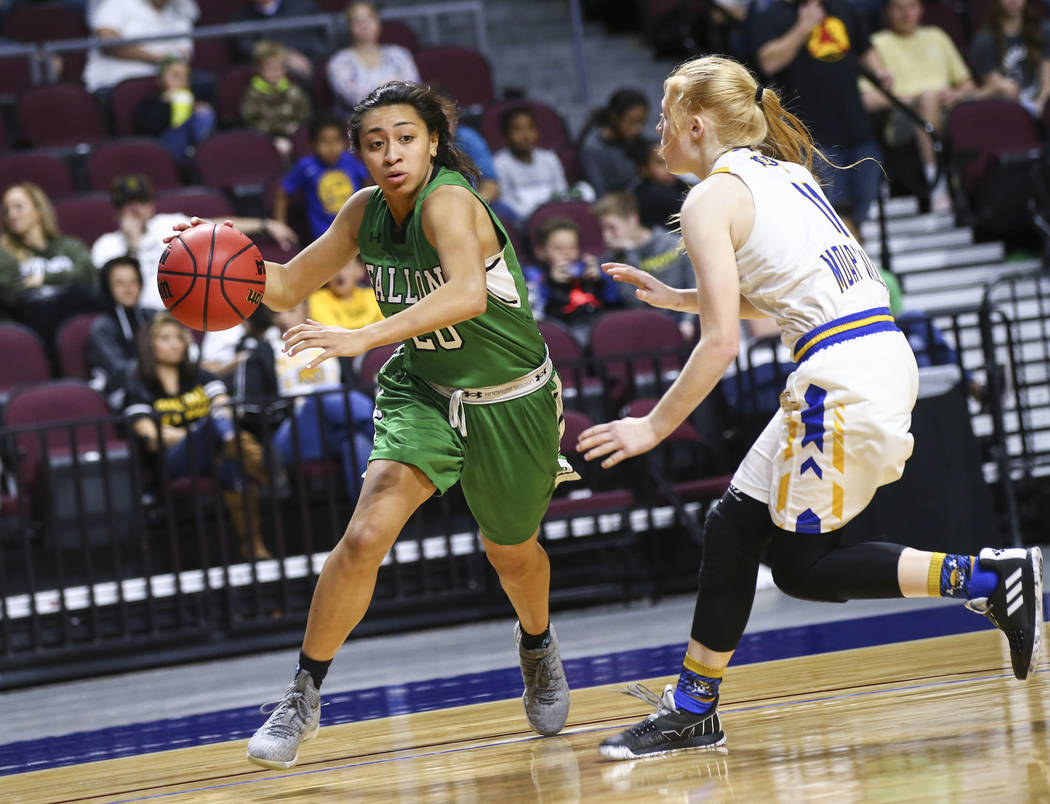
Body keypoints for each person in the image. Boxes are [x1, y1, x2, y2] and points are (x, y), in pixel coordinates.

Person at [577, 55, 1043, 760]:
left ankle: (990, 575)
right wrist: (677, 297)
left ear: (696, 125)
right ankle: (692, 708)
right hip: (868, 356)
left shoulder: (711, 197)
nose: (659, 136)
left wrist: (652, 425)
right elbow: (791, 288)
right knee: (733, 526)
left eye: (666, 121)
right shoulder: (783, 175)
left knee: (802, 567)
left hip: (841, 375)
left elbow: (721, 343)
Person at [169, 80, 579, 769]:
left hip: (511, 400)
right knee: (363, 538)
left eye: (406, 138)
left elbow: (466, 294)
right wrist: (215, 253)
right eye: (375, 142)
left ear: (434, 143)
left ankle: (537, 644)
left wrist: (364, 336)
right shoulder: (363, 212)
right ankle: (303, 694)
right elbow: (286, 284)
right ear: (359, 154)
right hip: (423, 389)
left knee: (511, 552)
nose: (391, 153)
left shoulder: (450, 201)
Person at [124, 313, 273, 560]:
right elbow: (150, 434)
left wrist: (210, 429)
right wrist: (200, 432)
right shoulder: (139, 385)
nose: (175, 344)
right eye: (165, 338)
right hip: (172, 461)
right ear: (150, 346)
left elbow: (223, 404)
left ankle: (253, 544)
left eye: (179, 338)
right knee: (217, 427)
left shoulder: (198, 375)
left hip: (214, 451)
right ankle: (262, 465)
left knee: (230, 466)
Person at [753, 0, 893, 228]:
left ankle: (851, 257)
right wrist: (803, 28)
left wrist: (880, 71)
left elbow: (864, 48)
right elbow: (768, 62)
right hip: (812, 137)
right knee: (828, 216)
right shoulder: (771, 15)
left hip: (857, 127)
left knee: (863, 203)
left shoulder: (843, 8)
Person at [91, 174, 299, 310]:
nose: (136, 209)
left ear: (152, 205)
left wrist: (266, 224)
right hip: (145, 321)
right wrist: (133, 242)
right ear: (116, 210)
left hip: (192, 307)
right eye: (128, 204)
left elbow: (217, 229)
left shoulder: (168, 223)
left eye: (142, 202)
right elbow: (116, 298)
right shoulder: (106, 246)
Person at [859, 0, 976, 210]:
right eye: (898, 8)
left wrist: (955, 94)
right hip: (900, 117)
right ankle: (937, 185)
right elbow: (865, 99)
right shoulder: (876, 43)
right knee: (927, 99)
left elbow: (968, 84)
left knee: (974, 108)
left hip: (946, 109)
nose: (906, 14)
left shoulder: (936, 36)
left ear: (921, 9)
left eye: (911, 7)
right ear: (886, 12)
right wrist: (907, 100)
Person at [270, 300, 376, 499]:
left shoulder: (329, 341)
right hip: (293, 430)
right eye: (276, 313)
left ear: (306, 308)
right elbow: (250, 409)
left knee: (356, 441)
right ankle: (382, 428)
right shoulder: (264, 349)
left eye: (290, 309)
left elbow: (352, 387)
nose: (282, 318)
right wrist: (291, 405)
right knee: (320, 395)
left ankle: (373, 522)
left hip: (334, 428)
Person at [0, 182, 98, 346]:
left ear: (38, 210)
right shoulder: (5, 253)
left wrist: (44, 279)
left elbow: (87, 274)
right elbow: (15, 295)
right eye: (7, 210)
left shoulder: (69, 245)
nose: (12, 214)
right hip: (36, 324)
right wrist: (67, 281)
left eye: (19, 207)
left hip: (74, 311)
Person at [591, 191, 695, 339]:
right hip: (642, 330)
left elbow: (697, 286)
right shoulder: (613, 258)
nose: (605, 236)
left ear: (633, 220)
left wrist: (688, 321)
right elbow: (635, 302)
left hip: (681, 320)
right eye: (602, 229)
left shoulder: (675, 244)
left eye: (611, 227)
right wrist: (628, 255)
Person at [276, 114, 372, 242]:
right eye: (324, 141)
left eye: (336, 140)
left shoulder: (350, 160)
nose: (331, 147)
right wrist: (280, 223)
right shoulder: (306, 166)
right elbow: (283, 191)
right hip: (326, 235)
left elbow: (367, 184)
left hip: (356, 226)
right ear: (312, 144)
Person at [522, 215, 619, 337]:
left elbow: (613, 299)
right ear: (541, 252)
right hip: (564, 329)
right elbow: (536, 310)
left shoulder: (586, 267)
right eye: (558, 248)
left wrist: (601, 279)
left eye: (572, 247)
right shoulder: (537, 274)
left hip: (597, 322)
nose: (566, 253)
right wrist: (551, 282)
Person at [83, 0, 198, 94]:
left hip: (161, 88)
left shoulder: (179, 12)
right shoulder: (118, 3)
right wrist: (158, 58)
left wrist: (168, 62)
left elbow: (183, 55)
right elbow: (107, 43)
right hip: (112, 85)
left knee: (203, 86)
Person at [327, 1, 421, 115]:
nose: (364, 25)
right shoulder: (339, 61)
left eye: (369, 18)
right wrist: (393, 84)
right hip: (360, 122)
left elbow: (412, 88)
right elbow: (355, 99)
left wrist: (374, 88)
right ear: (348, 25)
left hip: (402, 114)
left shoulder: (399, 54)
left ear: (378, 21)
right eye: (357, 20)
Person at [88, 255, 155, 408]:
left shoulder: (153, 316)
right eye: (120, 283)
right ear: (107, 287)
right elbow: (119, 371)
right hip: (123, 394)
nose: (128, 289)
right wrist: (164, 367)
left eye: (134, 282)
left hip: (162, 385)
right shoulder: (102, 328)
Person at [970, 0, 1050, 117]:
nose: (1013, 1)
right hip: (1010, 112)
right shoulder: (983, 41)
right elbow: (1000, 88)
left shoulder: (1043, 31)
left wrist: (1042, 104)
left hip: (1042, 105)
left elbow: (1047, 77)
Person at [492, 105, 570, 221]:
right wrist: (537, 215)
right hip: (522, 223)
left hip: (555, 218)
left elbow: (562, 193)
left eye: (531, 128)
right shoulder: (499, 164)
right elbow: (507, 204)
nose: (526, 135)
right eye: (517, 129)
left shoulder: (550, 159)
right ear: (505, 136)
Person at [240, 40, 313, 160]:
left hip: (295, 135)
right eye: (269, 68)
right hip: (266, 139)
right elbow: (253, 122)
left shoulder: (294, 90)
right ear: (259, 69)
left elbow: (305, 112)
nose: (275, 72)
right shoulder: (252, 94)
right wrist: (280, 130)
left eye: (278, 68)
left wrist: (297, 127)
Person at [133, 55, 215, 160]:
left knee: (205, 114)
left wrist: (196, 108)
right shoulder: (149, 104)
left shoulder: (194, 99)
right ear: (160, 78)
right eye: (175, 75)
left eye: (185, 76)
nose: (181, 80)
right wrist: (167, 104)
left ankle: (202, 155)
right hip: (164, 148)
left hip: (192, 143)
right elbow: (150, 130)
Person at [577, 88, 651, 198]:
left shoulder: (636, 139)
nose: (638, 129)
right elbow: (601, 194)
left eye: (642, 122)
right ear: (614, 117)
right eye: (632, 122)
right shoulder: (593, 149)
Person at [233, 0, 328, 80]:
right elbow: (247, 49)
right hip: (268, 76)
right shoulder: (241, 18)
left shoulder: (304, 6)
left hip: (309, 69)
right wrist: (286, 57)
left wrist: (309, 59)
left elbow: (321, 39)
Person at [306, 256, 383, 330]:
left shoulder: (373, 296)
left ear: (360, 270)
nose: (340, 273)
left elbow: (385, 328)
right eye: (334, 268)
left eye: (346, 266)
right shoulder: (317, 299)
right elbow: (333, 334)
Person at [629, 138, 690, 230]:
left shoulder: (678, 184)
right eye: (660, 163)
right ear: (643, 169)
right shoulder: (648, 194)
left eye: (671, 160)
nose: (669, 167)